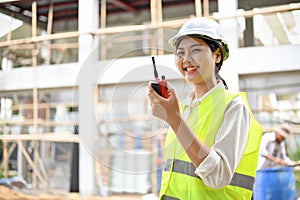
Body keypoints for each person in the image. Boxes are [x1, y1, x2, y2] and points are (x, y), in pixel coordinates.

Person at [147, 17, 262, 199]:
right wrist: (174, 115)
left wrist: (175, 119)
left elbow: (218, 176)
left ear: (217, 55)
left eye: (196, 50)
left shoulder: (233, 106)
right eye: (180, 53)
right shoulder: (183, 107)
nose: (186, 59)